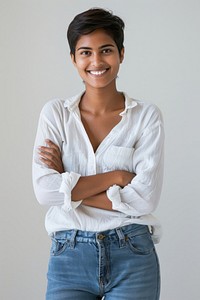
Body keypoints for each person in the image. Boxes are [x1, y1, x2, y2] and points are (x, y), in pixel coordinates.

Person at [32, 7, 164, 300]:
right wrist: (116, 177)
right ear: (73, 58)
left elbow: (145, 198)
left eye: (106, 50)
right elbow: (44, 192)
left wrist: (67, 185)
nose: (96, 61)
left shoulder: (146, 117)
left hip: (132, 253)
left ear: (121, 54)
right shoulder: (55, 114)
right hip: (69, 254)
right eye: (85, 52)